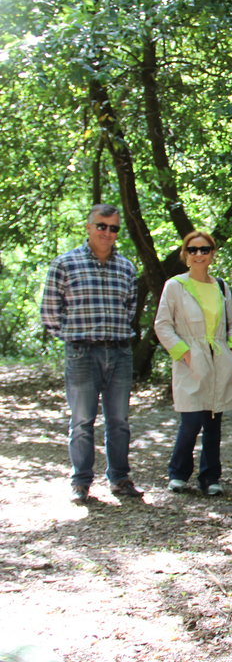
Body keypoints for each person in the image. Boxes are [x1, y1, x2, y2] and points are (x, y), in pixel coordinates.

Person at [41, 204, 143, 505]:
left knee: (119, 421)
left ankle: (120, 478)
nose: (107, 233)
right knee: (83, 420)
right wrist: (74, 339)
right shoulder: (65, 264)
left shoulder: (126, 267)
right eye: (101, 226)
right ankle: (81, 482)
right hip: (81, 353)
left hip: (120, 352)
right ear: (88, 227)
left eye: (113, 228)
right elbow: (49, 313)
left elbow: (130, 310)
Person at [154, 231, 232, 496]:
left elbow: (231, 325)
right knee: (191, 420)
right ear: (185, 255)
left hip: (219, 360)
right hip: (189, 361)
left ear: (212, 254)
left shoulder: (221, 287)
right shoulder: (174, 286)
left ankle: (210, 476)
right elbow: (162, 325)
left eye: (205, 249)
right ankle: (178, 472)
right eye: (193, 250)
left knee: (214, 421)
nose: (199, 254)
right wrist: (186, 354)